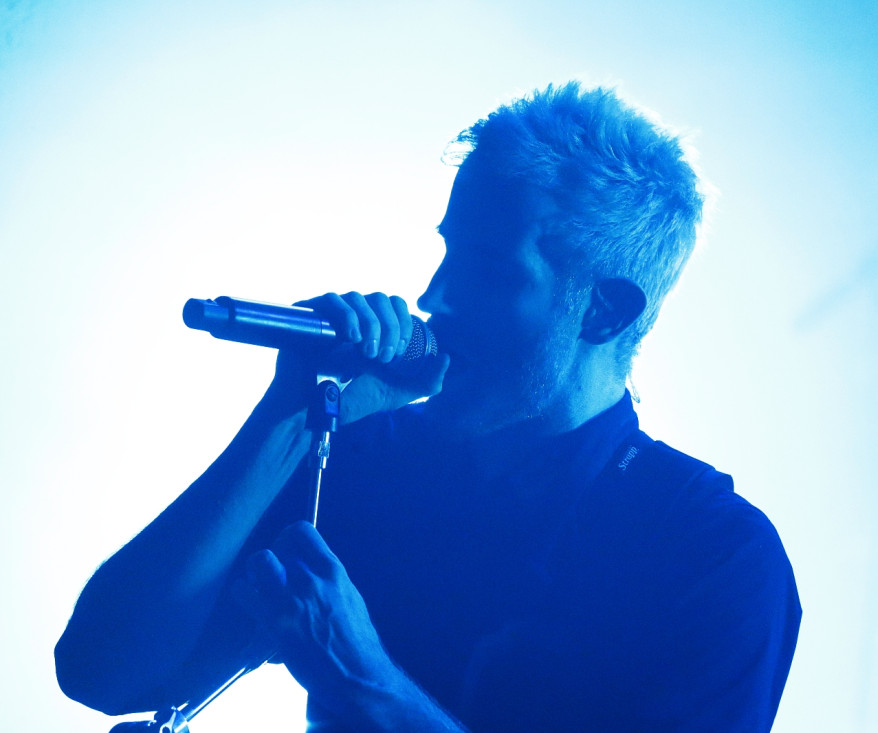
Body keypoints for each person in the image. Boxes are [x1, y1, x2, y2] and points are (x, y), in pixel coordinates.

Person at [55, 82, 801, 732]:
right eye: (448, 252)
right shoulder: (373, 462)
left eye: (490, 269)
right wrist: (288, 417)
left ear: (604, 311)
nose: (434, 296)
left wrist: (365, 682)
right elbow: (102, 672)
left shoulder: (716, 556)